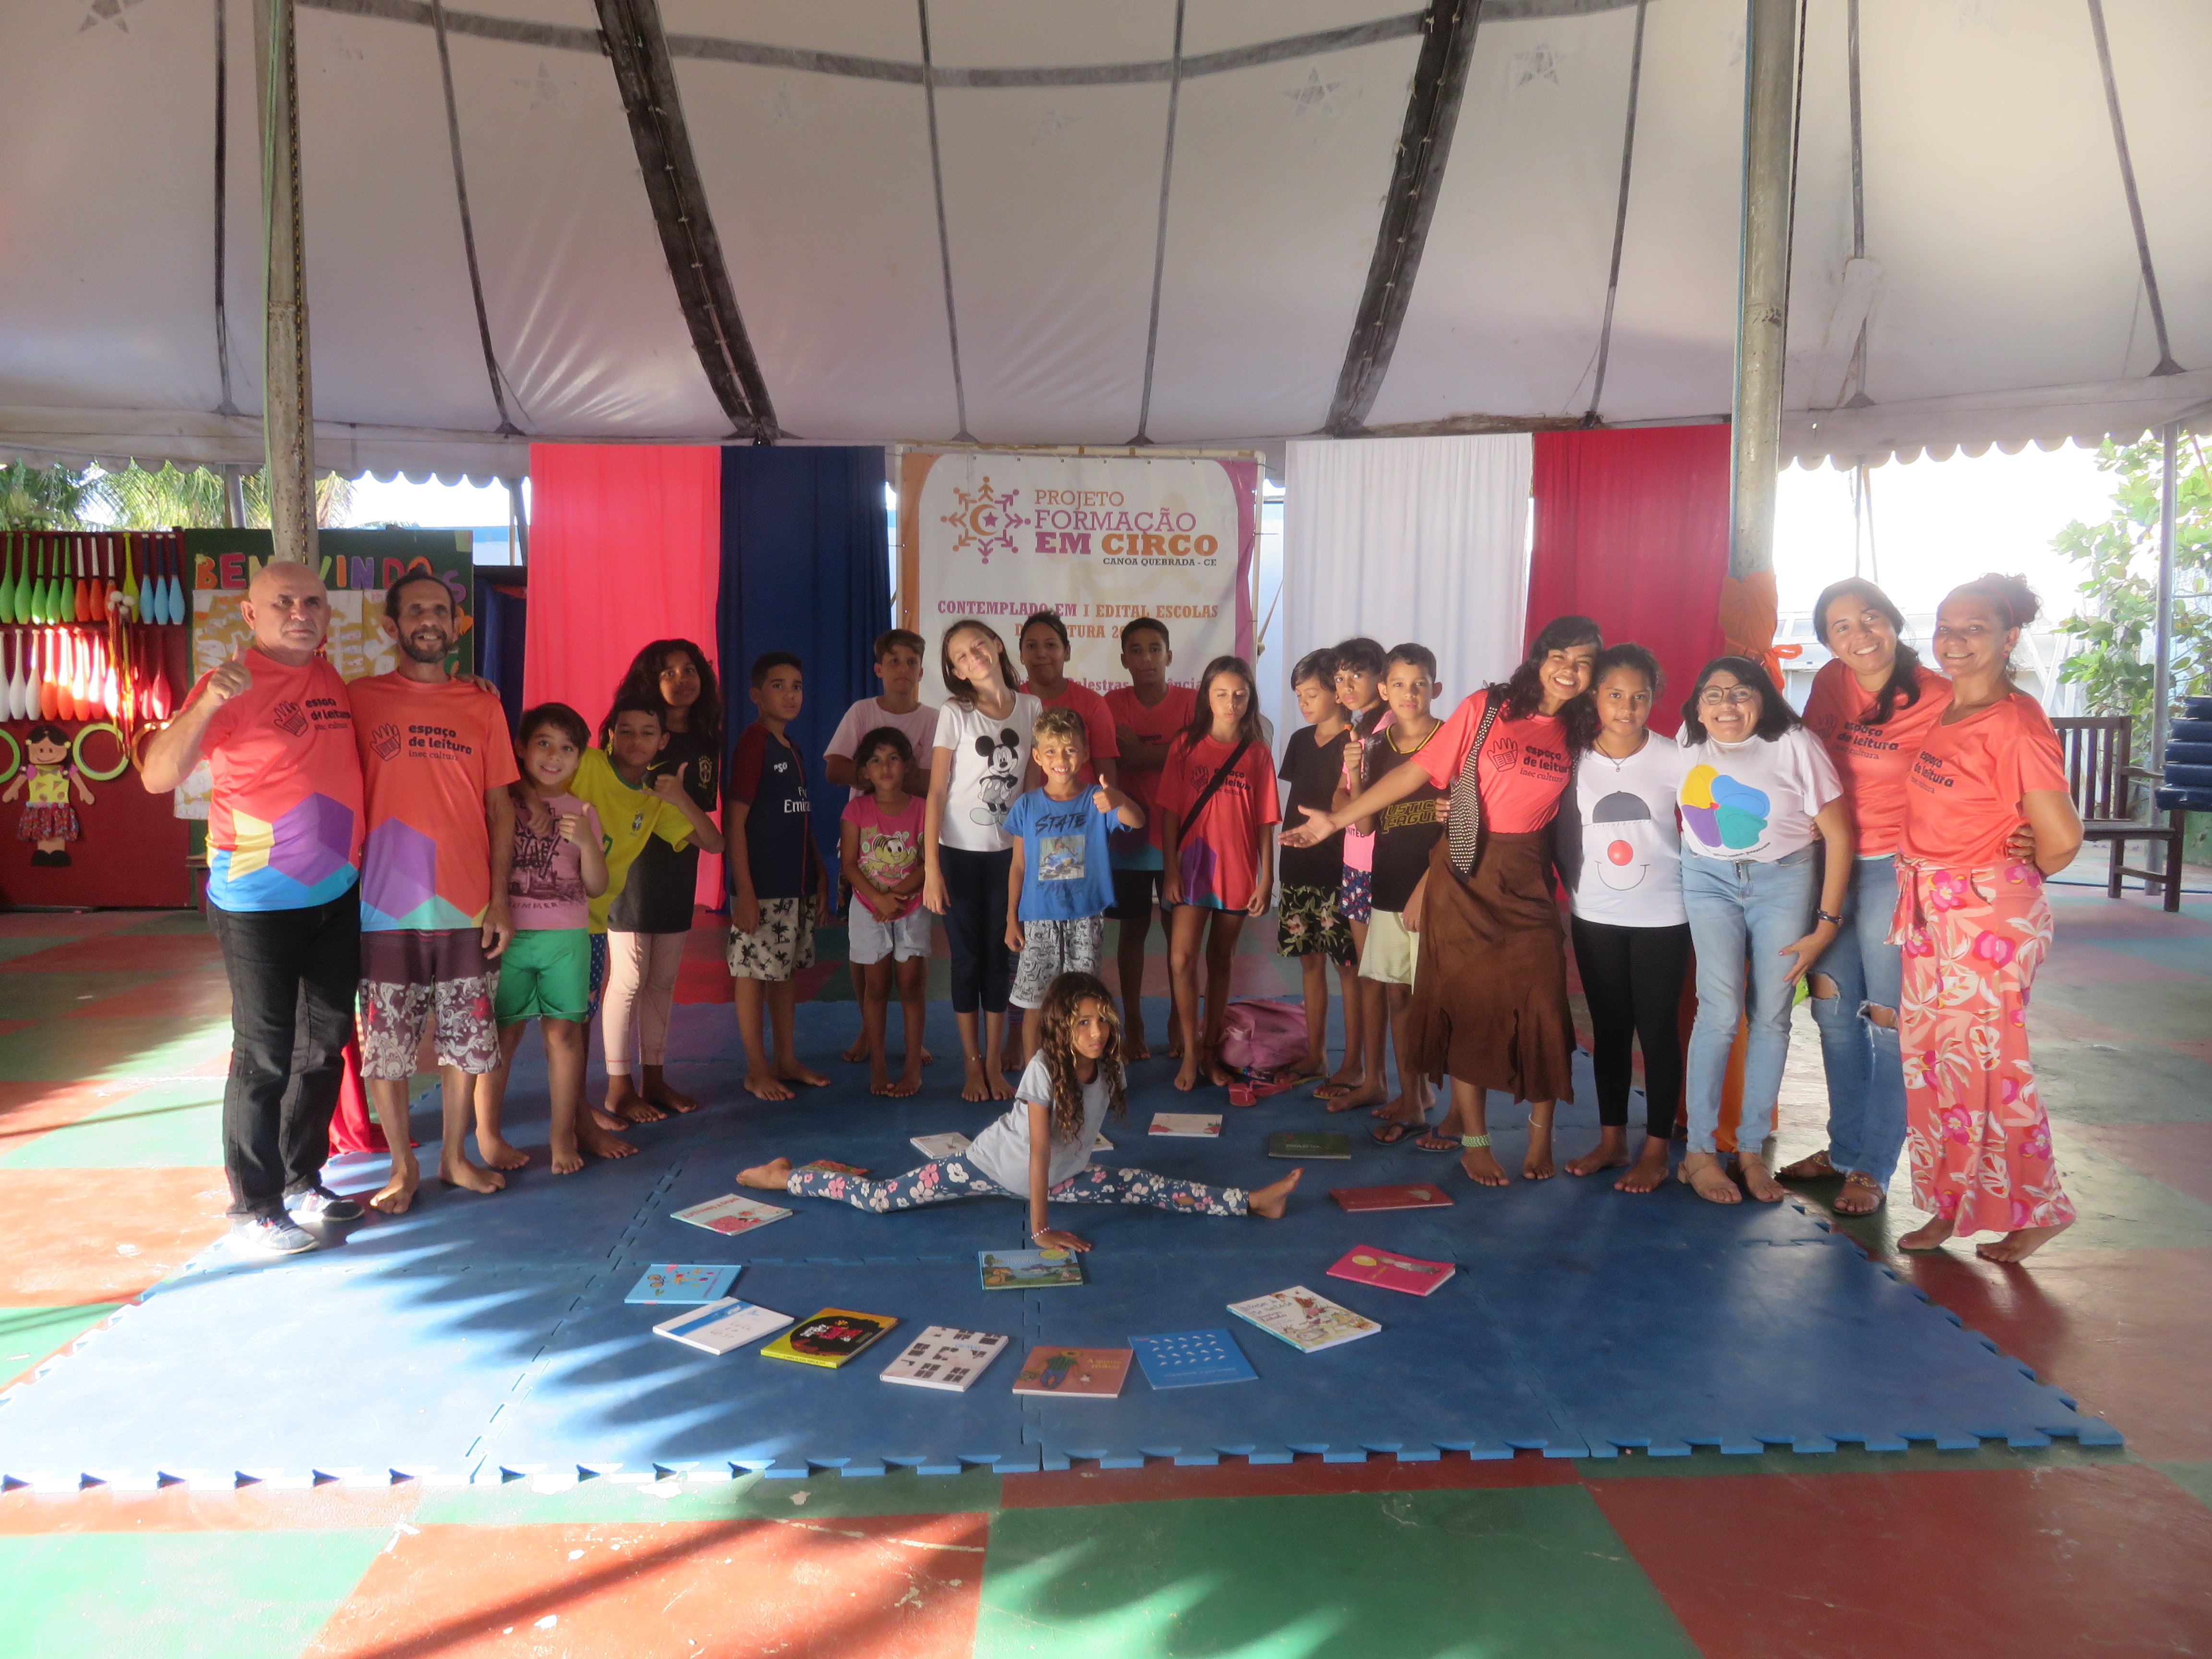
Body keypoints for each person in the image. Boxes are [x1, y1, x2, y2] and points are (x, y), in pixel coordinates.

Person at [1285, 616, 1601, 1187]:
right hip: (1466, 867)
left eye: (1583, 661)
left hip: (1527, 876)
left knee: (1544, 1005)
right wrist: (1336, 819)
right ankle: (1475, 1141)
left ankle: (1540, 1137)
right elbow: (1414, 774)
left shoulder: (1583, 729)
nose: (1569, 670)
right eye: (1560, 656)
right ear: (1539, 658)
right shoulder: (1488, 708)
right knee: (1464, 1004)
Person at [141, 559, 365, 1254]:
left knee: (322, 1046)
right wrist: (206, 704)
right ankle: (255, 1207)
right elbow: (157, 776)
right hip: (257, 903)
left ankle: (301, 1179)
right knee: (265, 1053)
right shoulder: (228, 683)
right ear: (250, 614)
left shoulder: (329, 676)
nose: (301, 613)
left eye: (312, 602)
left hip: (336, 893)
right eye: (283, 602)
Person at [736, 971, 1301, 1238]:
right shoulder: (1043, 1070)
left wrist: (1056, 1191)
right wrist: (1040, 1230)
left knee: (1146, 1185)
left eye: (1102, 1020)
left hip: (1061, 1179)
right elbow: (1036, 1153)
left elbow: (1066, 1151)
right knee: (883, 1199)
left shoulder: (1109, 1065)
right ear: (1061, 1028)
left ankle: (1252, 1202)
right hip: (988, 1166)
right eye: (1083, 1023)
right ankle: (787, 1177)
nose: (1097, 1032)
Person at [1892, 575, 2082, 1263]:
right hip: (1928, 906)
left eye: (1974, 628)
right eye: (1946, 626)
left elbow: (2062, 838)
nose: (1954, 640)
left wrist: (2013, 867)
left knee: (1990, 1070)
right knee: (1935, 1065)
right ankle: (1951, 1201)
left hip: (1986, 917)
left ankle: (2040, 1209)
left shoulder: (2017, 722)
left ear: (2009, 638)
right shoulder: (1947, 706)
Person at [347, 570, 518, 1214]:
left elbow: (501, 809)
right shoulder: (358, 699)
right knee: (386, 1050)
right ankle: (402, 1166)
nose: (429, 620)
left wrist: (500, 899)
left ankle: (454, 1156)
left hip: (467, 905)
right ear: (392, 625)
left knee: (466, 1044)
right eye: (416, 610)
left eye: (441, 611)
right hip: (382, 907)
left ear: (456, 625)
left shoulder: (483, 704)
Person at [1674, 656, 1853, 1205]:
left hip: (1784, 881)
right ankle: (1699, 1153)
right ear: (1697, 707)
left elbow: (1839, 835)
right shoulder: (1686, 741)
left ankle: (1750, 1152)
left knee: (1772, 1015)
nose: (1726, 705)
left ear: (1763, 699)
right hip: (1708, 881)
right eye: (1713, 694)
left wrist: (1827, 923)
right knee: (1718, 1011)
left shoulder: (1794, 743)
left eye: (1741, 692)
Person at [1554, 645, 1691, 1193]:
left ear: (1654, 699)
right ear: (1595, 696)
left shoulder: (1675, 756)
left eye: (1640, 697)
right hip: (1594, 914)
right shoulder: (1573, 757)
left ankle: (1656, 1150)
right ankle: (1612, 1141)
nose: (1627, 708)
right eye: (1615, 695)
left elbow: (1714, 815)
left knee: (1656, 1031)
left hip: (1665, 915)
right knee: (1608, 1031)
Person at [569, 693, 727, 1138]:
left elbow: (714, 843)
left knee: (597, 1007)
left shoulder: (653, 799)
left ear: (662, 742)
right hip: (556, 912)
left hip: (592, 917)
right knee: (577, 1013)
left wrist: (680, 797)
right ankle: (605, 1095)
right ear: (610, 736)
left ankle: (641, 1085)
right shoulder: (589, 764)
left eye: (647, 733)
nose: (636, 741)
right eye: (626, 732)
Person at [471, 703, 617, 1175]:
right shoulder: (502, 801)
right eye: (544, 744)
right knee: (504, 1034)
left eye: (567, 748)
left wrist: (588, 843)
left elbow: (597, 886)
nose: (555, 756)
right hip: (510, 937)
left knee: (564, 1035)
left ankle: (562, 1134)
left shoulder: (583, 812)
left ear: (580, 759)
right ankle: (488, 1135)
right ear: (520, 748)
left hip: (566, 940)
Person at [598, 638, 723, 1123]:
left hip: (677, 866)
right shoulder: (629, 731)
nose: (681, 679)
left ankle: (654, 1078)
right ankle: (618, 1087)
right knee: (629, 979)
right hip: (630, 870)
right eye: (668, 672)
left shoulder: (704, 738)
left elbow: (704, 826)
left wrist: (678, 799)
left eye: (689, 670)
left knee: (663, 980)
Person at [923, 618, 1041, 1102]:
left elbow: (1031, 790)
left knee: (1000, 959)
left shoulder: (1031, 708)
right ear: (957, 672)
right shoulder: (956, 712)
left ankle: (994, 1064)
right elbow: (936, 792)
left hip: (1008, 857)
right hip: (956, 854)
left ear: (996, 645)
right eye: (962, 657)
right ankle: (972, 1065)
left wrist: (1029, 855)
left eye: (978, 646)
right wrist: (931, 868)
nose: (974, 657)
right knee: (967, 959)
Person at [1159, 655, 1280, 1091]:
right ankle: (1191, 1053)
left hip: (1238, 869)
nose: (1231, 703)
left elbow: (1266, 821)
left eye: (1240, 695)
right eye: (1222, 694)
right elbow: (1170, 813)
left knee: (1221, 959)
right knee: (1181, 958)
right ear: (1206, 697)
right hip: (1194, 866)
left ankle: (1210, 1051)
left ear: (1250, 700)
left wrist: (1267, 878)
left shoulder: (1258, 753)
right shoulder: (1185, 746)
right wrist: (1170, 868)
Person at [825, 628, 939, 1067]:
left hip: (914, 845)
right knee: (864, 950)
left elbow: (937, 781)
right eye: (894, 661)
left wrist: (891, 777)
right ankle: (866, 1029)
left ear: (922, 671)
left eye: (911, 662)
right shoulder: (862, 712)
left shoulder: (933, 719)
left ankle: (914, 1040)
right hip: (864, 846)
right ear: (879, 669)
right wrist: (879, 777)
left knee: (914, 957)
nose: (902, 669)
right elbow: (835, 769)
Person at [1005, 706, 1143, 1064]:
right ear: (1038, 756)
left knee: (1084, 1000)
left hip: (1086, 917)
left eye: (1069, 750)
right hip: (1038, 919)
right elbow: (1018, 866)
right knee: (1035, 1001)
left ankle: (1083, 1070)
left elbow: (1138, 821)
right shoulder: (1027, 806)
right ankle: (1035, 1075)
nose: (1061, 759)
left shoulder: (1098, 800)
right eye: (1051, 751)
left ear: (1084, 754)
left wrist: (1120, 799)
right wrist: (1011, 919)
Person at [726, 651, 831, 1102]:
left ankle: (786, 1059)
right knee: (753, 973)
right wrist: (746, 892)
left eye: (797, 686)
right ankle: (756, 1069)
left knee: (785, 972)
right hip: (764, 887)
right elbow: (735, 823)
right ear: (756, 694)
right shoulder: (754, 744)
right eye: (778, 685)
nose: (790, 694)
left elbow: (801, 817)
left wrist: (820, 874)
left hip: (796, 884)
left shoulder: (793, 748)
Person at [1359, 645, 1450, 1145]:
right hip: (1388, 885)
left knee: (1430, 997)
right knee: (1397, 992)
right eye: (1399, 684)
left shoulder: (1452, 742)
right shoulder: (1377, 747)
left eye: (1419, 684)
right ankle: (1413, 1094)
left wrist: (1427, 885)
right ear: (1384, 690)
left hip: (1436, 891)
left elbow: (1465, 825)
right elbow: (1365, 824)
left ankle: (1424, 1099)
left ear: (1436, 688)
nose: (1409, 693)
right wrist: (1353, 775)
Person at [1102, 617, 1196, 1061]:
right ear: (1124, 660)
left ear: (1169, 656)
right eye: (1136, 651)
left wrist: (1139, 751)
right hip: (1130, 840)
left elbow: (1193, 760)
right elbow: (1112, 764)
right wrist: (1169, 750)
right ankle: (1133, 1021)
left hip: (1181, 838)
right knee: (1133, 931)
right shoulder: (1111, 704)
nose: (1146, 659)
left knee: (1179, 936)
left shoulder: (1192, 703)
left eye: (1155, 649)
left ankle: (1180, 1018)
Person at [1273, 649, 1360, 1091]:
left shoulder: (1357, 742)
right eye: (1299, 695)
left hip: (1341, 869)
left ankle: (1355, 1062)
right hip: (1298, 865)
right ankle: (1316, 1053)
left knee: (1349, 968)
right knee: (1309, 962)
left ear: (1338, 692)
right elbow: (1296, 800)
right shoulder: (1300, 740)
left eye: (1312, 693)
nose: (1304, 703)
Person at [841, 726, 929, 1097]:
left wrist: (896, 895)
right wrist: (878, 900)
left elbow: (929, 862)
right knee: (876, 988)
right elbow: (849, 864)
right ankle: (878, 1065)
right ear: (865, 771)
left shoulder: (923, 809)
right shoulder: (856, 810)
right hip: (868, 909)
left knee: (910, 987)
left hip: (912, 908)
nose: (886, 767)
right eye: (876, 760)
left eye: (893, 758)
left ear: (907, 765)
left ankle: (912, 1068)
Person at [1325, 637, 1393, 1111]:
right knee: (1370, 975)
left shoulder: (1388, 729)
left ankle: (1382, 1079)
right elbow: (1339, 800)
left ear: (1381, 680)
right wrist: (1352, 801)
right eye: (1340, 677)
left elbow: (1364, 815)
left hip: (1379, 863)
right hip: (1355, 860)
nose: (1347, 686)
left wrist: (1353, 801)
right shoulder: (1359, 729)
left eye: (1357, 675)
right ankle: (1370, 1074)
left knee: (1386, 981)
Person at [1019, 610, 1119, 786]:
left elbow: (1107, 780)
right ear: (1021, 655)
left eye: (1051, 645)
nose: (1041, 653)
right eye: (1031, 646)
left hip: (1083, 804)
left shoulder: (1093, 704)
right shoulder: (1009, 702)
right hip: (1022, 804)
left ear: (1067, 652)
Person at [7, 721, 92, 864]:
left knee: (58, 830)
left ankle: (58, 853)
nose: (45, 754)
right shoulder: (31, 769)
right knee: (42, 831)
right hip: (38, 807)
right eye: (40, 750)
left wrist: (84, 792)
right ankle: (43, 852)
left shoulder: (66, 769)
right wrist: (12, 790)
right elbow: (19, 782)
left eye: (51, 750)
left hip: (59, 806)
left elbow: (79, 783)